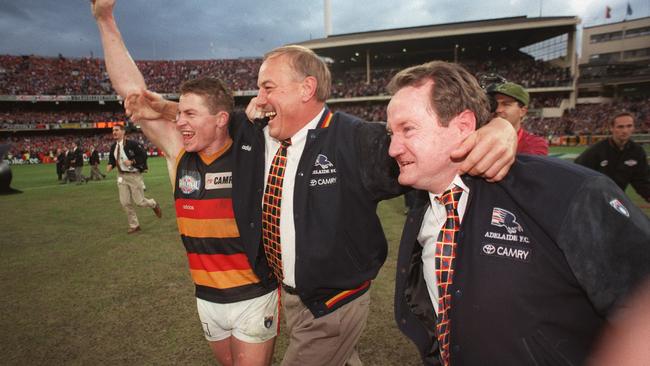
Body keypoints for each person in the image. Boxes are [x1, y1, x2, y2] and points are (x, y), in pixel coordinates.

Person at [128, 43, 517, 364]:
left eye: (267, 88)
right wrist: (162, 107)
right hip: (294, 296)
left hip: (335, 302)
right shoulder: (258, 137)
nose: (259, 99)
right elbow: (214, 118)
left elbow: (436, 147)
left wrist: (500, 128)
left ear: (306, 88)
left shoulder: (357, 141)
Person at [387, 60, 650, 365]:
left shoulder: (570, 193)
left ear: (462, 126)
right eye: (391, 132)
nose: (393, 148)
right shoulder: (423, 201)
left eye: (407, 129)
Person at [92, 1, 278, 364]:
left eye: (190, 114)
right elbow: (133, 92)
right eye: (180, 114)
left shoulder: (253, 152)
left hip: (253, 294)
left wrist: (166, 107)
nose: (180, 123)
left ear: (222, 119)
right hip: (206, 296)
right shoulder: (182, 155)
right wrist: (105, 19)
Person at [575, 111, 650, 202]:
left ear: (633, 128)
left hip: (617, 201)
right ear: (611, 128)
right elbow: (577, 171)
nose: (625, 131)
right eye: (620, 127)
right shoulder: (597, 150)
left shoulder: (637, 152)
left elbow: (641, 182)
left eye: (629, 126)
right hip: (593, 200)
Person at [106, 124, 161, 233]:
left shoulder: (133, 144)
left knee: (139, 202)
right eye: (113, 131)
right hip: (121, 177)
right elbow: (112, 159)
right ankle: (134, 225)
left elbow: (143, 155)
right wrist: (110, 165)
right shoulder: (113, 147)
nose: (114, 132)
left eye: (116, 130)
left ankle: (153, 204)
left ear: (123, 132)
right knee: (125, 203)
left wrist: (132, 162)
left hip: (133, 176)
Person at [489, 82, 548, 155]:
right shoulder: (479, 137)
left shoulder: (534, 144)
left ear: (522, 111)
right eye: (495, 104)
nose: (498, 110)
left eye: (506, 104)